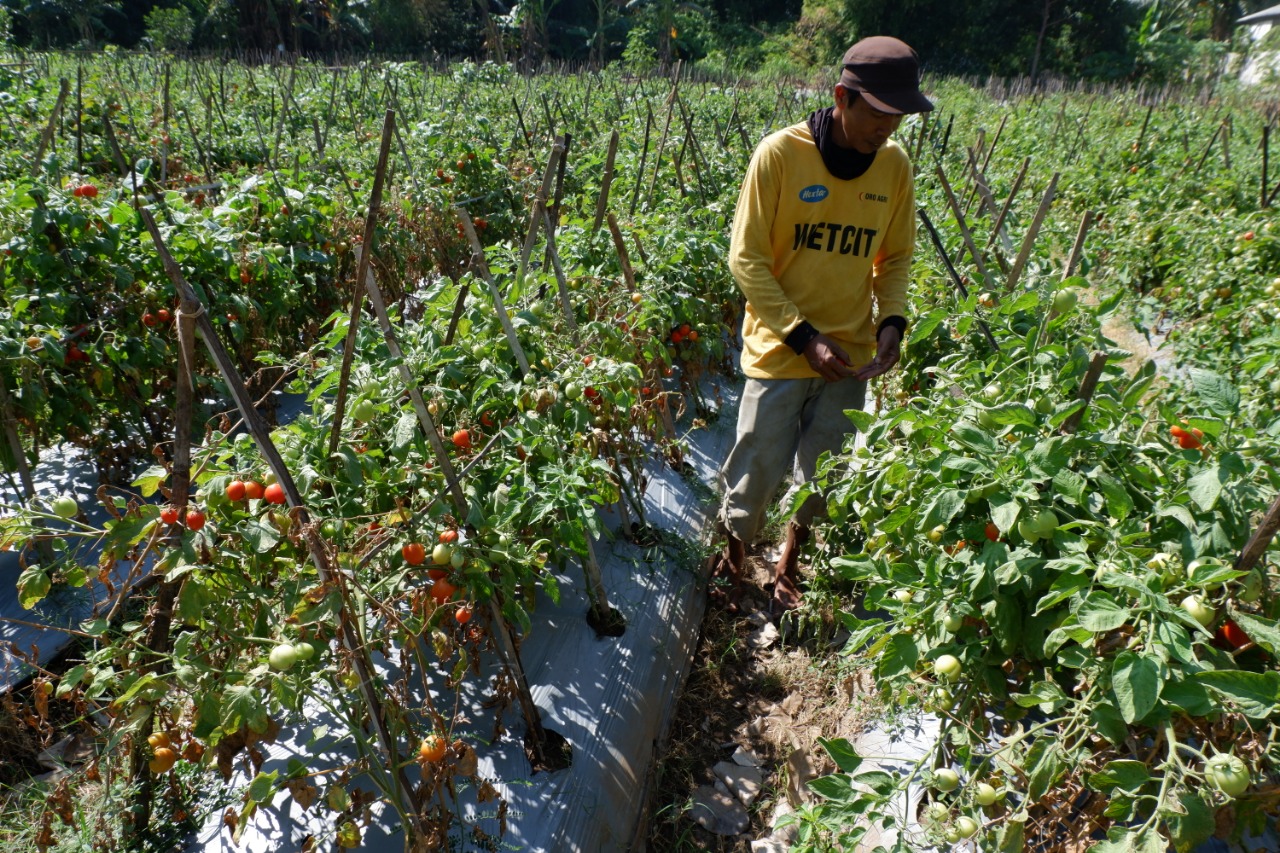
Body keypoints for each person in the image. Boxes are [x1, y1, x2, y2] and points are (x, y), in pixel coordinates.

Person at [712, 36, 933, 615]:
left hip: (851, 356)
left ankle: (788, 562)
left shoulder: (894, 167)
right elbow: (747, 259)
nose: (887, 130)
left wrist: (891, 320)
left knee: (824, 472)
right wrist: (803, 337)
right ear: (842, 97)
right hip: (781, 350)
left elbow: (897, 257)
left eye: (899, 118)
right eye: (879, 115)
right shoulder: (781, 155)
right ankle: (735, 555)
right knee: (758, 465)